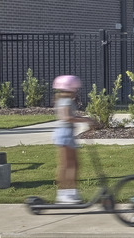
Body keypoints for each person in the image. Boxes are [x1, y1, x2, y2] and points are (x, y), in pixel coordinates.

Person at [50, 74, 95, 205]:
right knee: (67, 165)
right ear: (71, 88)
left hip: (67, 133)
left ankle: (71, 192)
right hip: (64, 134)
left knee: (73, 165)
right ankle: (64, 194)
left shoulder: (65, 100)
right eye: (76, 88)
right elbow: (66, 118)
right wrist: (86, 120)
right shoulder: (65, 101)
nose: (77, 90)